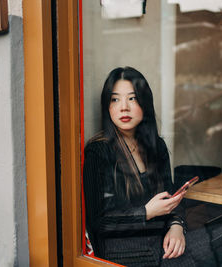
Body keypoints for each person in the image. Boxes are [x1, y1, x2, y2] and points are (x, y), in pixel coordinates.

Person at [83, 67, 197, 266]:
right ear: (107, 106)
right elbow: (99, 222)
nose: (123, 107)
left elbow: (170, 196)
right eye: (115, 99)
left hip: (161, 241)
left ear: (144, 103)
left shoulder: (155, 145)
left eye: (132, 98)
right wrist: (146, 212)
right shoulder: (98, 151)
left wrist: (177, 226)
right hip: (124, 253)